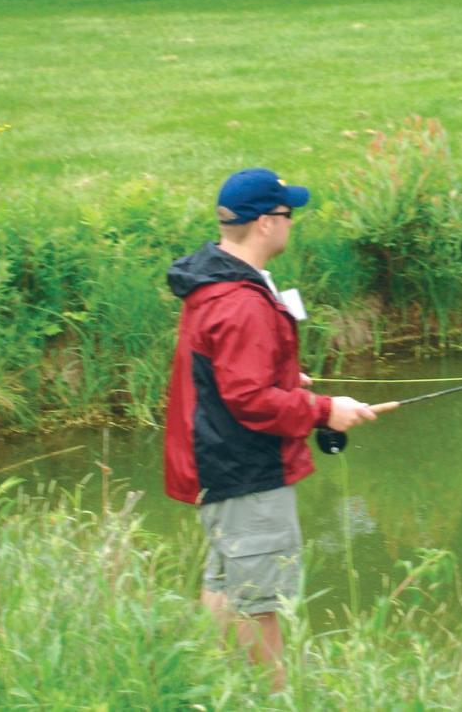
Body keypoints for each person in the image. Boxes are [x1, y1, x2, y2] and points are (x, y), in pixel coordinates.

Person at [163, 167, 376, 689]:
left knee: (225, 584)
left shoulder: (216, 281)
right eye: (288, 215)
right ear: (264, 224)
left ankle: (218, 685)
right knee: (261, 604)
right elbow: (251, 401)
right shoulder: (240, 302)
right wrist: (324, 409)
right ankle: (273, 696)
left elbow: (229, 375)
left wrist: (286, 377)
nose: (291, 223)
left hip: (219, 468)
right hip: (246, 472)